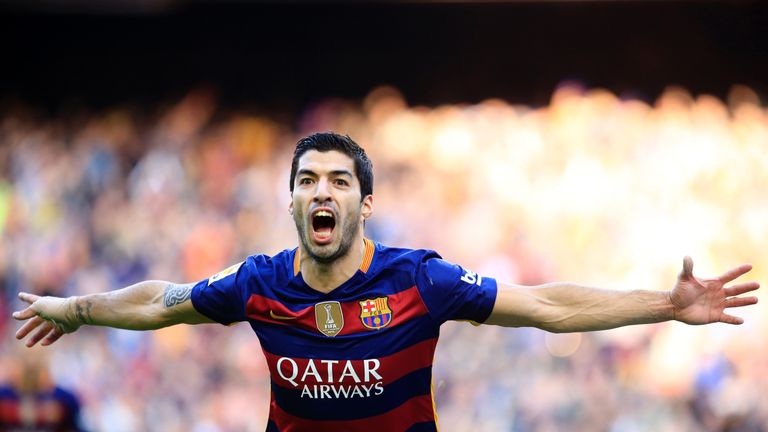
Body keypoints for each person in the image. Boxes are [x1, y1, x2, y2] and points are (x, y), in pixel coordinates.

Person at [13, 132, 760, 431]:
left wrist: (662, 305)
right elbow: (161, 298)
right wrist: (79, 309)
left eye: (339, 180)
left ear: (364, 203)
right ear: (293, 201)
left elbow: (545, 306)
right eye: (307, 180)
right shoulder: (259, 282)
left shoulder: (420, 280)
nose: (322, 191)